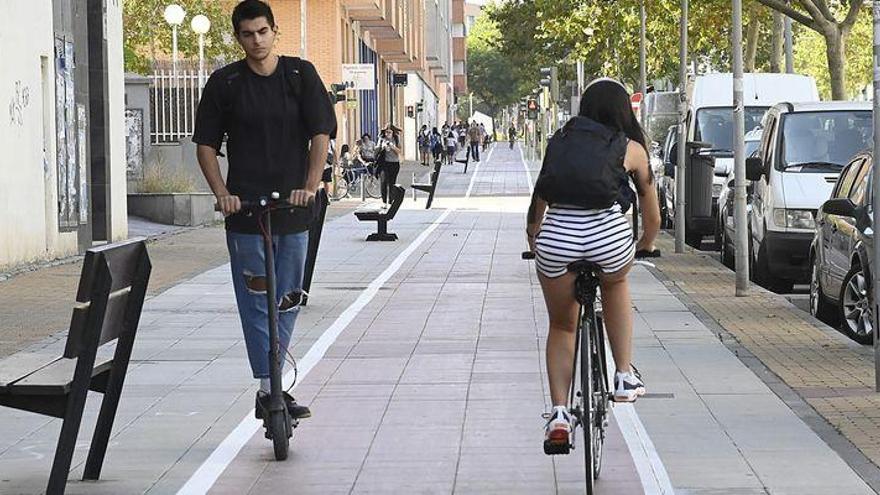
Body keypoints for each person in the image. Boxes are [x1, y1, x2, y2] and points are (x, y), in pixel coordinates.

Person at [193, 0, 336, 421]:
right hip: (246, 210)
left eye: (262, 31)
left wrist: (310, 186)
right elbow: (205, 145)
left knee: (288, 297)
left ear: (275, 31)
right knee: (257, 299)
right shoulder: (226, 83)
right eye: (247, 34)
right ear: (237, 37)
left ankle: (273, 383)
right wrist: (222, 193)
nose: (256, 40)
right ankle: (270, 385)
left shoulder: (300, 75)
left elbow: (320, 134)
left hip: (293, 207)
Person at [526, 78, 660, 448]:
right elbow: (652, 215)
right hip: (608, 240)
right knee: (616, 283)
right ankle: (623, 375)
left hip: (558, 240)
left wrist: (534, 237)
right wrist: (646, 244)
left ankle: (559, 414)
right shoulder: (631, 149)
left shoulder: (559, 142)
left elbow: (540, 198)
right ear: (622, 111)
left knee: (562, 325)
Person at [377, 125, 402, 206]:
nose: (388, 133)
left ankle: (391, 200)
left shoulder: (396, 139)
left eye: (389, 132)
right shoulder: (381, 139)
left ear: (393, 132)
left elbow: (399, 151)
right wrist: (382, 147)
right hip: (384, 163)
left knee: (392, 183)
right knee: (383, 182)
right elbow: (376, 149)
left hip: (394, 163)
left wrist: (392, 146)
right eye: (386, 132)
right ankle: (384, 201)